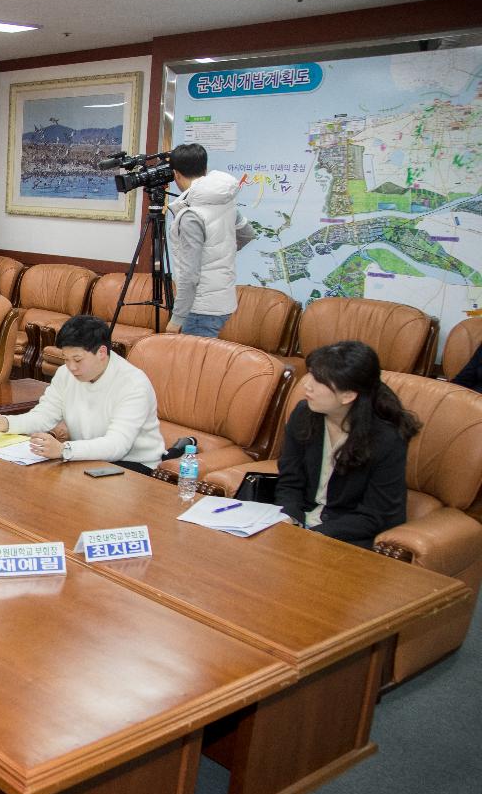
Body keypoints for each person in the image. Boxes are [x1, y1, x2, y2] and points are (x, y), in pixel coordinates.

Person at [276, 340, 420, 550]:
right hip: (301, 523)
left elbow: (375, 515)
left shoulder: (386, 439)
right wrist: (290, 518)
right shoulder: (304, 413)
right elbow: (290, 480)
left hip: (347, 536)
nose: (307, 384)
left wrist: (312, 536)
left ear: (348, 395)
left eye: (318, 380)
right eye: (310, 374)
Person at [0, 315, 165, 473]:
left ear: (102, 352)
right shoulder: (65, 374)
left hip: (133, 466)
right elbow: (44, 416)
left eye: (77, 360)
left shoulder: (133, 384)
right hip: (86, 457)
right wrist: (7, 423)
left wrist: (63, 449)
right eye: (66, 359)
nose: (71, 367)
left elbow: (117, 445)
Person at [163, 143, 255, 337]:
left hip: (200, 308)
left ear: (176, 175)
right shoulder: (225, 203)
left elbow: (190, 275)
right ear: (204, 170)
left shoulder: (191, 215)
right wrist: (218, 252)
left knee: (193, 365)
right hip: (223, 302)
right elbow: (247, 233)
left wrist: (176, 319)